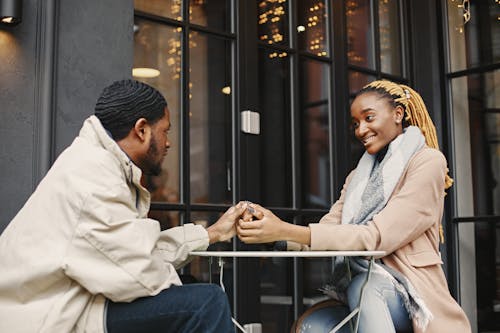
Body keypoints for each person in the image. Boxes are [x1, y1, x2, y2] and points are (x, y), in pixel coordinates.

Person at [0, 79, 248, 333]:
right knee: (206, 303)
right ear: (141, 130)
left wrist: (212, 233)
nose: (168, 143)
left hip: (78, 302)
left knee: (190, 289)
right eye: (165, 131)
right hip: (50, 319)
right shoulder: (94, 177)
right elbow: (139, 274)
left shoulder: (100, 164)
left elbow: (134, 254)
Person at [237, 80, 471, 333]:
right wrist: (273, 231)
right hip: (358, 288)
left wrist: (284, 229)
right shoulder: (359, 176)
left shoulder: (428, 162)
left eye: (369, 118)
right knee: (313, 327)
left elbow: (377, 237)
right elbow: (329, 228)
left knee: (366, 287)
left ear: (398, 114)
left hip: (410, 292)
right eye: (356, 124)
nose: (361, 130)